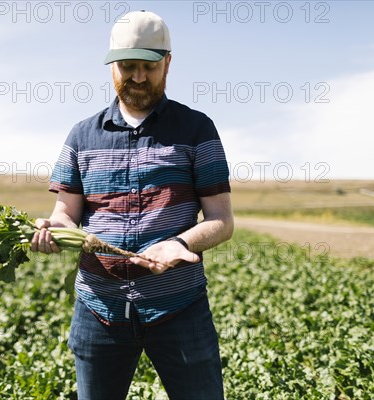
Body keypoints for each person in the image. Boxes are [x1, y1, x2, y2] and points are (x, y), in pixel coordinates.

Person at [31, 10, 233, 400]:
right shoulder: (81, 135)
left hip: (179, 308)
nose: (138, 77)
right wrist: (55, 229)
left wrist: (182, 244)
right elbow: (65, 213)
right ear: (112, 67)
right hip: (98, 310)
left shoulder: (197, 129)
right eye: (128, 66)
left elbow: (222, 220)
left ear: (168, 65)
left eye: (149, 67)